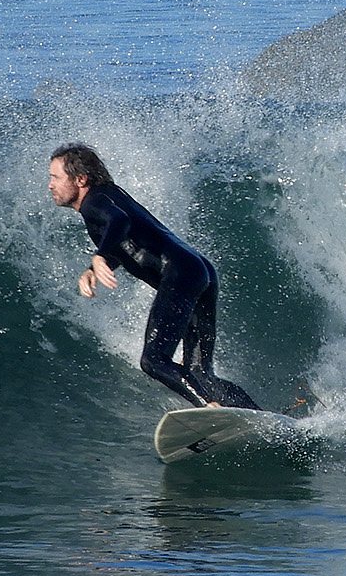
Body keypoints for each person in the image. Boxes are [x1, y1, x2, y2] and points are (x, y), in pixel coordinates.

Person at [48, 142, 261, 410]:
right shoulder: (109, 195)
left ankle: (210, 407)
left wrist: (98, 255)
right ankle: (258, 416)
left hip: (180, 273)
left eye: (56, 177)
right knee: (200, 371)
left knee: (153, 360)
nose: (50, 185)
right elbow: (130, 244)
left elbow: (119, 222)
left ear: (80, 179)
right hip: (198, 270)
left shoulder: (94, 201)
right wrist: (95, 269)